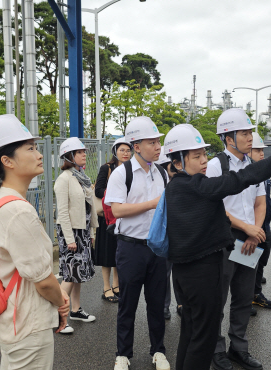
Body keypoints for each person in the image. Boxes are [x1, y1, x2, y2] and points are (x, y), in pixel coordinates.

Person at [164, 123, 271, 370]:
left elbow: (250, 191)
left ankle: (236, 349)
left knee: (191, 333)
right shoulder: (198, 187)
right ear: (178, 163)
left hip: (187, 273)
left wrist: (253, 233)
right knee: (203, 340)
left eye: (204, 154)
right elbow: (240, 179)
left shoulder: (176, 187)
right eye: (197, 156)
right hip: (202, 274)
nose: (204, 161)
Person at [0, 115, 69, 369]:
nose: (38, 154)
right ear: (7, 161)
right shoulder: (18, 210)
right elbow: (43, 281)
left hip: (13, 320)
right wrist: (62, 303)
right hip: (29, 325)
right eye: (30, 148)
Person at [104, 117, 170, 370]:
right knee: (128, 303)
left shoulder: (161, 172)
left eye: (158, 142)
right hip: (130, 247)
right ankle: (123, 354)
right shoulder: (122, 173)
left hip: (157, 247)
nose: (157, 146)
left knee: (157, 304)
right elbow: (117, 210)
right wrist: (153, 203)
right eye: (152, 142)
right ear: (137, 145)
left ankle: (158, 351)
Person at [206, 109, 267, 370]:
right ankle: (216, 349)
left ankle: (239, 348)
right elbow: (215, 205)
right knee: (218, 298)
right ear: (229, 138)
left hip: (250, 237)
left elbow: (260, 202)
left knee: (243, 296)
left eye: (250, 132)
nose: (250, 137)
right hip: (224, 238)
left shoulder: (252, 167)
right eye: (245, 133)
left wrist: (255, 230)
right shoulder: (215, 165)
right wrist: (247, 228)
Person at [54, 137, 98, 334]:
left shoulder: (80, 177)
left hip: (82, 230)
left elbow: (89, 207)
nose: (84, 155)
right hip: (70, 232)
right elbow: (62, 212)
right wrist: (70, 238)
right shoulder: (64, 179)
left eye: (84, 152)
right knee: (71, 274)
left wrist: (91, 231)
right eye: (80, 152)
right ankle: (57, 317)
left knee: (78, 273)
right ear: (70, 156)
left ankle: (75, 310)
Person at [94, 137, 132, 304]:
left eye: (128, 150)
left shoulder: (131, 169)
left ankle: (116, 285)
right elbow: (98, 190)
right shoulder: (107, 168)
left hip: (123, 216)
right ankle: (106, 287)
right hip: (108, 217)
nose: (125, 153)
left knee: (119, 251)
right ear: (115, 151)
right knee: (107, 253)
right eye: (122, 150)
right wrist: (115, 195)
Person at [248, 133, 271, 311]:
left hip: (264, 224)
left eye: (262, 150)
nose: (261, 154)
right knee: (246, 264)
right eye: (257, 150)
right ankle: (245, 299)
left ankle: (255, 294)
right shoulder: (244, 174)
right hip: (248, 228)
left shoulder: (264, 172)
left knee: (261, 261)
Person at [155, 147, 181, 320]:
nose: (171, 168)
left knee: (180, 272)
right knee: (163, 273)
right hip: (164, 236)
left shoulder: (182, 181)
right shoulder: (157, 183)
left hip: (180, 235)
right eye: (167, 165)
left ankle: (181, 303)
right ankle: (164, 306)